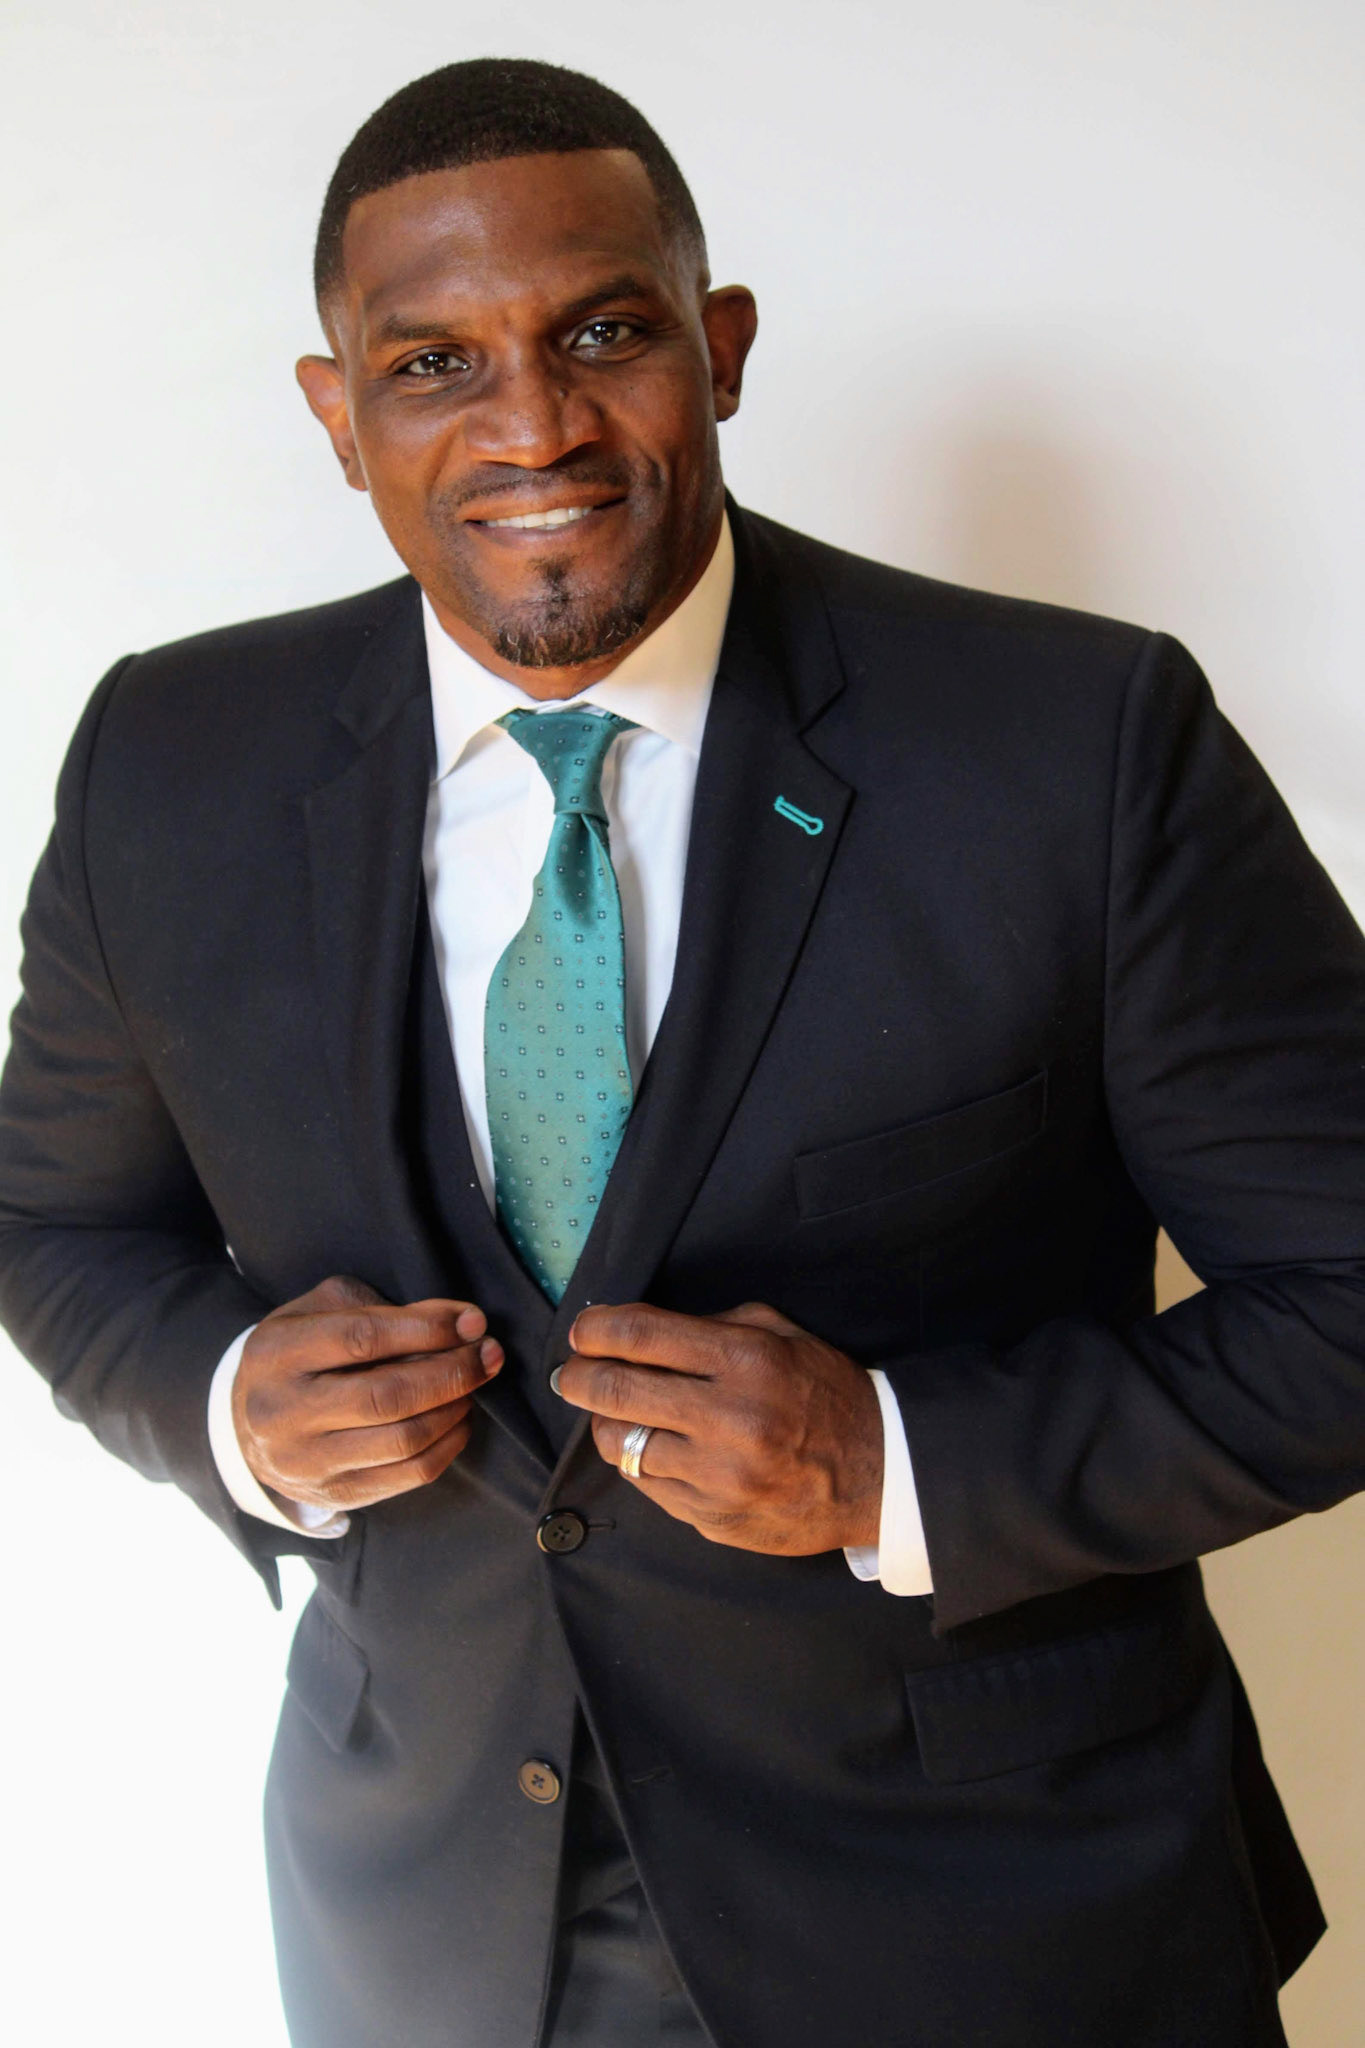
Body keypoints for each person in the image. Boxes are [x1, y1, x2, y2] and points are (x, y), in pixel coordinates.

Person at [2, 52, 1362, 2048]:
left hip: (1002, 1928)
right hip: (432, 1937)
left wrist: (896, 1460)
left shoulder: (1075, 743)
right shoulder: (165, 761)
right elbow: (54, 1224)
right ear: (337, 415)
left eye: (602, 332)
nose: (532, 424)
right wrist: (226, 1408)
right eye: (433, 364)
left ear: (716, 347)